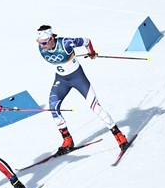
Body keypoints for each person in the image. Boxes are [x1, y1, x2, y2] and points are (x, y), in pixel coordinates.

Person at [34, 25, 129, 154]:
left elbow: (87, 41)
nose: (42, 46)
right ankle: (67, 140)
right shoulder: (42, 47)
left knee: (95, 107)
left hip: (78, 78)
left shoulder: (66, 43)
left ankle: (118, 135)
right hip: (61, 80)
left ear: (51, 38)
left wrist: (91, 52)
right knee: (53, 107)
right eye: (40, 42)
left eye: (44, 42)